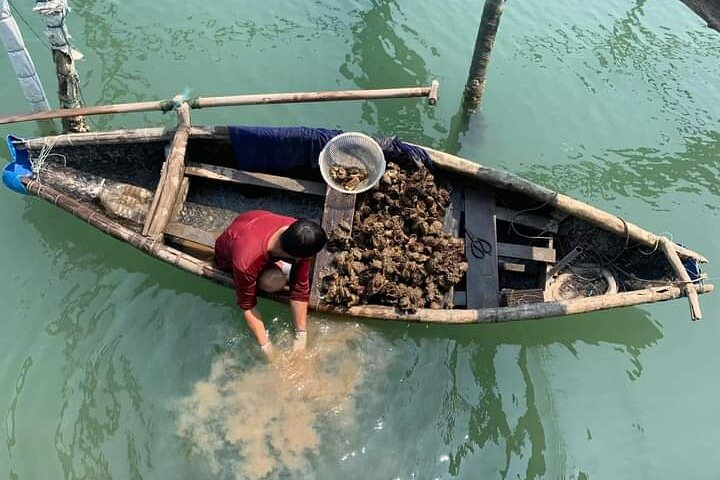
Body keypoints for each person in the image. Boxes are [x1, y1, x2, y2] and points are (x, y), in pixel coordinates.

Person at [214, 210, 327, 354]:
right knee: (273, 282)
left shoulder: (296, 229)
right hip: (228, 253)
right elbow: (247, 307)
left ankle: (280, 265)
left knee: (291, 272)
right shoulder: (246, 263)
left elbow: (299, 289)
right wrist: (267, 348)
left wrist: (301, 335)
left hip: (251, 219)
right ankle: (279, 267)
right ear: (294, 256)